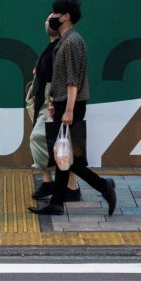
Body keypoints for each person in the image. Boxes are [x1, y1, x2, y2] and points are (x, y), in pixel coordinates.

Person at [28, 0, 116, 216]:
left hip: (71, 105)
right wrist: (53, 103)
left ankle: (104, 186)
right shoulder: (64, 41)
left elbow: (72, 80)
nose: (53, 17)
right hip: (61, 103)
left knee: (66, 158)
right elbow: (58, 78)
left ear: (66, 16)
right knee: (62, 157)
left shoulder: (73, 42)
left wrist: (67, 109)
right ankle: (57, 203)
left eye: (56, 13)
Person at [29, 16, 81, 203]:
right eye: (47, 19)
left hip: (54, 98)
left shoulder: (64, 46)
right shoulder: (51, 47)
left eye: (53, 18)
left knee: (46, 140)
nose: (48, 22)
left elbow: (66, 77)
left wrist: (54, 102)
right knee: (58, 143)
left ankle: (58, 183)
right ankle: (62, 184)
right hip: (46, 98)